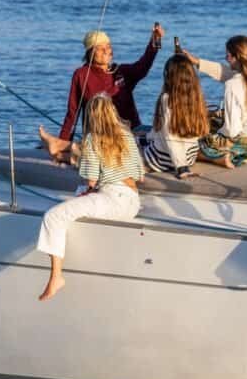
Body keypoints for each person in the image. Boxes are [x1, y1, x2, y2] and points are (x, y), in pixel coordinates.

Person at [37, 94, 143, 301]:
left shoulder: (93, 139)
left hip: (113, 198)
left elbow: (91, 181)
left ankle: (56, 277)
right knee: (78, 203)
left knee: (54, 216)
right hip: (132, 201)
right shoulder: (126, 136)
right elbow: (140, 174)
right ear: (112, 112)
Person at [39, 24, 162, 163]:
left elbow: (143, 66)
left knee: (160, 135)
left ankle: (64, 148)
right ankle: (63, 146)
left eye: (108, 46)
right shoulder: (81, 74)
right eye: (100, 48)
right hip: (100, 135)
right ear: (90, 52)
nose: (106, 50)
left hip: (132, 131)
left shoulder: (120, 71)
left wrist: (155, 40)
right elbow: (72, 113)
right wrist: (64, 140)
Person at [198, 35, 247, 168]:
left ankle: (221, 159)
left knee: (202, 142)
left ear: (234, 57)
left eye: (227, 55)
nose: (226, 59)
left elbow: (232, 130)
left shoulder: (233, 84)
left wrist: (216, 133)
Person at [140, 55, 209, 179]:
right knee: (142, 137)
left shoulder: (167, 99)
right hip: (190, 156)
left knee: (126, 147)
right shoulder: (196, 95)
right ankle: (145, 140)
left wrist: (182, 168)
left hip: (164, 160)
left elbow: (169, 136)